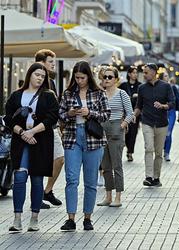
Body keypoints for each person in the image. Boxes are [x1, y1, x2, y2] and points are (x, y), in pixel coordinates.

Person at [4, 63, 59, 232]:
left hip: (40, 140)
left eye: (43, 76)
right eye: (37, 74)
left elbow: (52, 118)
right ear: (29, 75)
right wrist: (22, 132)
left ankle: (34, 218)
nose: (40, 78)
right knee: (19, 178)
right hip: (20, 141)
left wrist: (32, 132)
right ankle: (17, 218)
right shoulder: (16, 95)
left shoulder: (49, 95)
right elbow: (8, 118)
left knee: (36, 179)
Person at [59, 61, 111, 231]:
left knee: (90, 181)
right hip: (72, 138)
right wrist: (70, 113)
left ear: (89, 76)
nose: (79, 80)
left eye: (82, 77)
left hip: (93, 140)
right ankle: (71, 218)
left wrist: (90, 113)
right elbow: (60, 116)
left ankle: (87, 218)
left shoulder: (98, 93)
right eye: (77, 77)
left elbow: (106, 115)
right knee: (71, 179)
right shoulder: (68, 94)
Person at [134, 63, 175, 187]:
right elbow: (138, 106)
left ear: (153, 72)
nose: (144, 75)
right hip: (147, 122)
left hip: (162, 124)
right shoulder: (142, 88)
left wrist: (163, 106)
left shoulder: (166, 86)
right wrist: (131, 117)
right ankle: (148, 176)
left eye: (146, 72)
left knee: (158, 153)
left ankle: (156, 177)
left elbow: (173, 103)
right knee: (149, 148)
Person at [97, 66, 133, 207]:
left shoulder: (121, 93)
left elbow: (130, 113)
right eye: (104, 77)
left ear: (116, 79)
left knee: (117, 165)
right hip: (102, 129)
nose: (106, 79)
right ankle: (108, 196)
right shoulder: (100, 93)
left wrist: (122, 125)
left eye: (110, 77)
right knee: (105, 166)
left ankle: (118, 197)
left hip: (117, 128)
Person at [34, 49, 64, 209]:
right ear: (41, 63)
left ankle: (48, 190)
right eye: (51, 62)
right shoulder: (35, 81)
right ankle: (39, 196)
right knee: (39, 163)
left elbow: (53, 107)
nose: (54, 65)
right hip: (38, 128)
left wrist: (57, 125)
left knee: (59, 159)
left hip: (51, 126)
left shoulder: (50, 81)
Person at [158, 72, 179, 162]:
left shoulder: (173, 87)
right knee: (161, 133)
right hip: (161, 113)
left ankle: (167, 152)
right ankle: (161, 150)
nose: (167, 77)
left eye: (167, 75)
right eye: (165, 75)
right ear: (161, 78)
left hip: (171, 112)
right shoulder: (158, 88)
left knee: (168, 133)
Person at [119, 66, 142, 162]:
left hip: (135, 113)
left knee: (133, 133)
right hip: (124, 114)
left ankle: (130, 152)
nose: (135, 75)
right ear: (129, 74)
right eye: (133, 73)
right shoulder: (123, 85)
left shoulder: (140, 86)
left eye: (136, 73)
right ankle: (127, 148)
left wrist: (138, 96)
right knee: (126, 133)